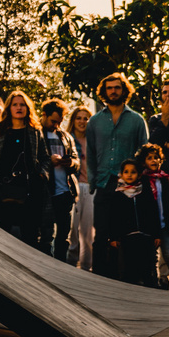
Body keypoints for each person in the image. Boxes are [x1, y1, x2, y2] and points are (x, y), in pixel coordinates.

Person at [86, 72, 148, 277]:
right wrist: (94, 182)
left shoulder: (137, 120)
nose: (113, 91)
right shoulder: (94, 121)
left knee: (126, 233)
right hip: (104, 183)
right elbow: (91, 154)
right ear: (104, 92)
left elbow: (143, 154)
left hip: (128, 185)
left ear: (124, 90)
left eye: (117, 87)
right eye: (109, 88)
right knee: (101, 234)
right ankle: (99, 277)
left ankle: (128, 277)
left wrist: (139, 184)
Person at [0, 90, 50, 247]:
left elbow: (45, 157)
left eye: (22, 105)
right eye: (15, 105)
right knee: (1, 241)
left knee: (30, 240)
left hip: (30, 193)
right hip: (3, 193)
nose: (19, 108)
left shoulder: (34, 131)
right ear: (9, 108)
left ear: (27, 108)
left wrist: (41, 175)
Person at [107, 158, 159, 287]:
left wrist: (157, 234)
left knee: (147, 269)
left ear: (139, 174)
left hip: (146, 237)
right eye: (126, 172)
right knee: (129, 271)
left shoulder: (145, 191)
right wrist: (113, 237)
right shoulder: (118, 194)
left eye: (133, 172)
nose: (129, 175)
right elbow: (113, 218)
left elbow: (153, 213)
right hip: (127, 238)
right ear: (121, 174)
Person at [136, 142, 169, 290]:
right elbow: (143, 208)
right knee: (151, 257)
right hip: (150, 227)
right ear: (144, 162)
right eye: (150, 158)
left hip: (166, 225)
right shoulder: (142, 181)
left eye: (156, 158)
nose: (154, 161)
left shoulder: (167, 180)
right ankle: (154, 284)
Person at [39, 99, 79, 262]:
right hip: (46, 193)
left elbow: (76, 161)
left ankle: (62, 268)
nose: (56, 125)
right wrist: (50, 161)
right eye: (53, 121)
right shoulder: (36, 134)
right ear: (44, 115)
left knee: (64, 237)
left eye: (59, 122)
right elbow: (33, 161)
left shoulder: (65, 136)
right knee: (46, 236)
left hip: (65, 192)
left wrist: (70, 163)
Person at [66, 104, 94, 271]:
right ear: (73, 120)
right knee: (72, 233)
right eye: (79, 118)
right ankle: (69, 267)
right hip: (73, 188)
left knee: (88, 233)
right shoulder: (67, 138)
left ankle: (86, 268)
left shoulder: (93, 141)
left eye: (86, 118)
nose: (82, 121)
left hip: (90, 188)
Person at [149, 76, 169, 186]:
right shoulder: (155, 119)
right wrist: (165, 117)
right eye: (165, 92)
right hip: (162, 177)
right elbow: (153, 145)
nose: (168, 95)